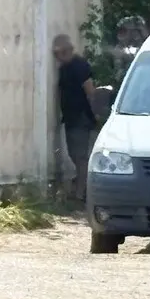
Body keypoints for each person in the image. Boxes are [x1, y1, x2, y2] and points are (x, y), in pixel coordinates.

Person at [53, 34, 97, 202]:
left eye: (58, 53)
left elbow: (90, 91)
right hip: (71, 117)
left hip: (81, 117)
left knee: (80, 157)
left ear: (66, 51)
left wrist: (94, 113)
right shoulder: (65, 68)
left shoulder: (79, 65)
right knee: (74, 154)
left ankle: (80, 193)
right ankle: (80, 189)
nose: (57, 57)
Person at [112, 15, 148, 86]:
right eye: (131, 31)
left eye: (137, 31)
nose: (135, 34)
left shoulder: (146, 46)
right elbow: (118, 76)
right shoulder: (120, 49)